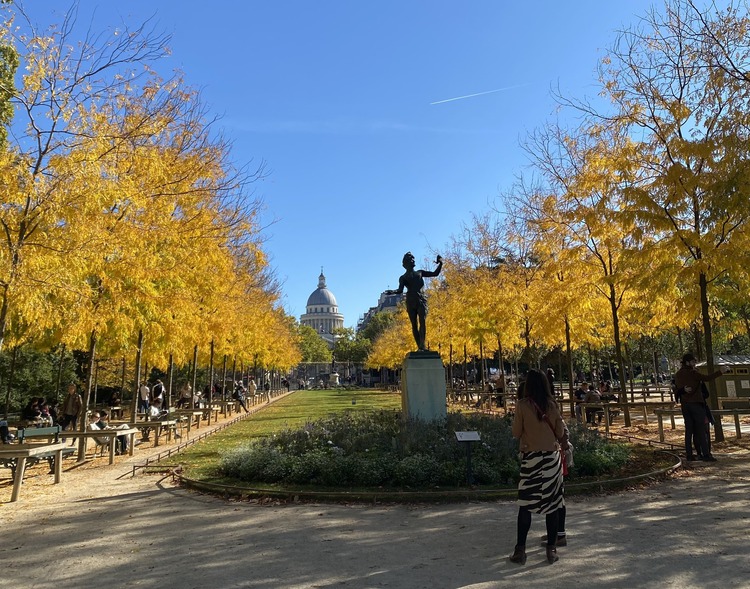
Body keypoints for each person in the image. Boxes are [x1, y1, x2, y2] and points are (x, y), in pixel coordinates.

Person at [509, 369, 567, 565]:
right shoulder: (552, 405)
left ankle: (520, 550)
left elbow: (516, 432)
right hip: (551, 458)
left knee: (525, 504)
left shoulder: (522, 405)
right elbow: (560, 431)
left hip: (531, 458)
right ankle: (551, 550)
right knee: (553, 505)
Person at [384, 252, 442, 351]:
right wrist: (391, 291)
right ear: (405, 264)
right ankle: (419, 346)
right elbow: (400, 290)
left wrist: (440, 264)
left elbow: (435, 274)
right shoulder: (403, 278)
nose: (413, 260)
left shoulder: (420, 273)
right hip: (410, 301)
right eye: (411, 259)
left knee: (422, 322)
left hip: (421, 299)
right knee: (414, 324)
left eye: (413, 259)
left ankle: (422, 345)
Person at [674, 353, 726, 462]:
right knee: (701, 430)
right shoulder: (693, 373)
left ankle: (689, 455)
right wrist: (720, 372)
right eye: (693, 362)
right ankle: (706, 454)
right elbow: (707, 378)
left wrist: (683, 390)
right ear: (688, 362)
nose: (694, 364)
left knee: (689, 430)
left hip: (685, 405)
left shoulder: (678, 374)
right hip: (696, 404)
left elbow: (676, 389)